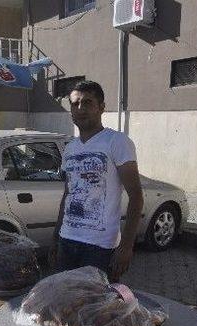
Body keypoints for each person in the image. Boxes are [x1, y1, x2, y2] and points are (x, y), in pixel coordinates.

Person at [51, 81, 144, 282]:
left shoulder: (116, 142)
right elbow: (68, 194)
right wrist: (56, 237)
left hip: (100, 247)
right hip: (67, 240)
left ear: (102, 107)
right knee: (66, 302)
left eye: (87, 102)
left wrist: (126, 247)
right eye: (75, 104)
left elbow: (136, 196)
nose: (80, 108)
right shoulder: (70, 148)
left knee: (97, 307)